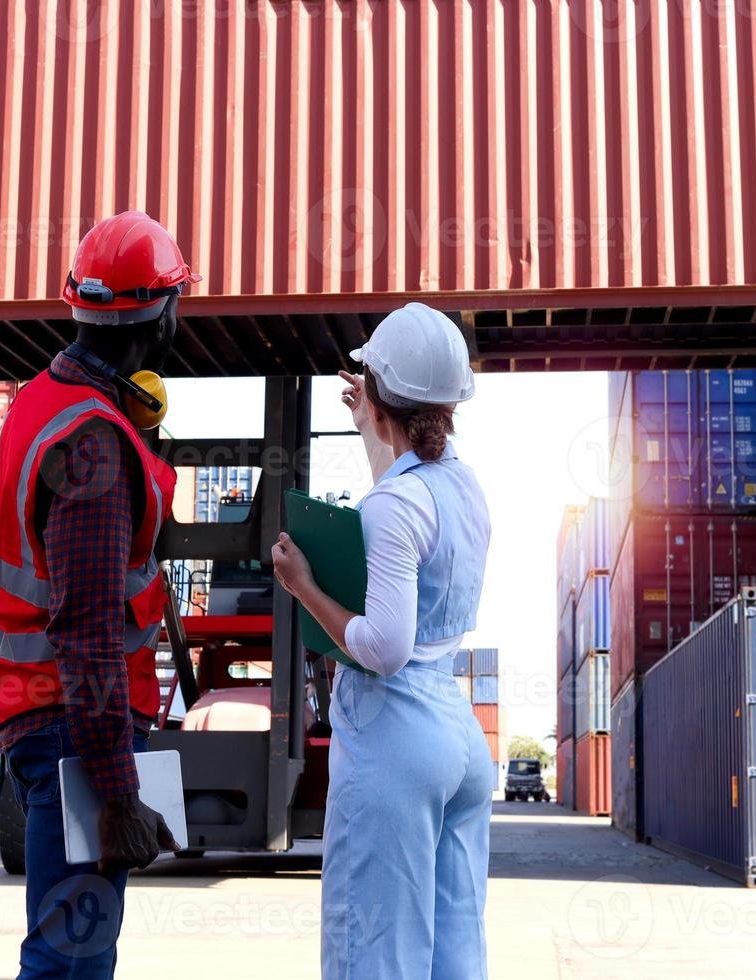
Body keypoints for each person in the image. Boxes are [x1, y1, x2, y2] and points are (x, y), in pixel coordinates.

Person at [0, 211, 198, 978]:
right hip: (73, 728)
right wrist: (120, 796)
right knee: (72, 957)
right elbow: (89, 630)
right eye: (177, 301)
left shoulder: (45, 398)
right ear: (157, 315)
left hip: (42, 716)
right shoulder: (95, 446)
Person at [271, 302, 494, 979]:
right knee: (455, 952)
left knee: (372, 954)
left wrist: (303, 585)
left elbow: (383, 646)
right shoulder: (462, 486)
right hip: (457, 737)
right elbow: (403, 483)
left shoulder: (393, 506)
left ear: (382, 395)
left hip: (395, 736)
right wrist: (371, 419)